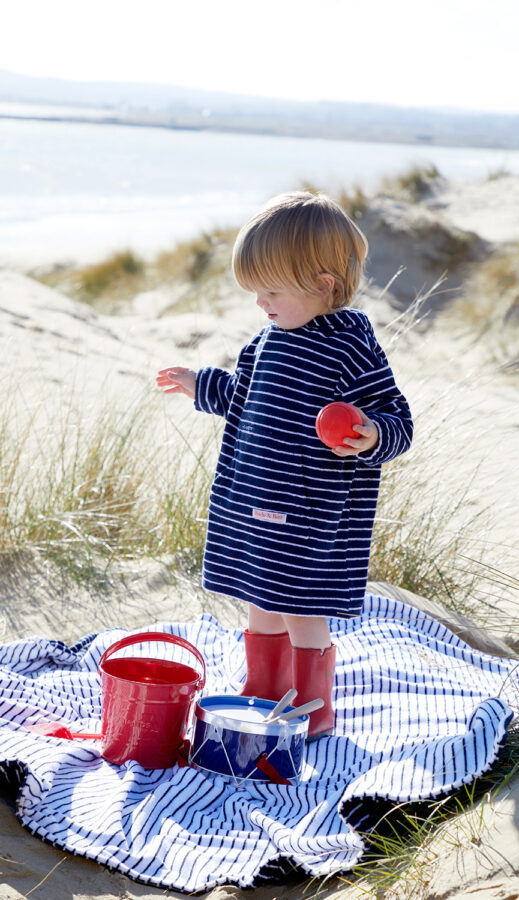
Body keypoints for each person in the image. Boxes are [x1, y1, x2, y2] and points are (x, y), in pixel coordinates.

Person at [156, 191, 413, 739]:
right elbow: (242, 398)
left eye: (271, 291)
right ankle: (265, 685)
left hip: (308, 508)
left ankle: (313, 706)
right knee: (260, 594)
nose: (260, 302)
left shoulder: (349, 347)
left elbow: (398, 419)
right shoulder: (265, 340)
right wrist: (201, 385)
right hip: (256, 494)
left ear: (323, 284)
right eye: (255, 291)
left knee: (299, 602)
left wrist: (371, 434)